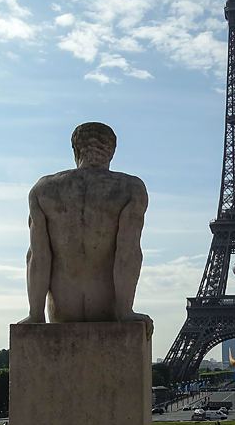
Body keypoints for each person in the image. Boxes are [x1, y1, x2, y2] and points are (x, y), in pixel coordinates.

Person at [19, 122, 151, 337]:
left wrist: (35, 315)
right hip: (107, 308)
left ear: (75, 150)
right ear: (112, 151)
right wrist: (125, 312)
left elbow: (37, 257)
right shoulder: (131, 189)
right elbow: (128, 254)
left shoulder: (43, 189)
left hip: (63, 310)